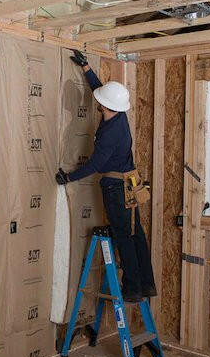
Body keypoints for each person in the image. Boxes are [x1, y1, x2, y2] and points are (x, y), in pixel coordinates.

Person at [55, 49, 157, 303]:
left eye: (100, 102)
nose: (98, 102)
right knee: (135, 233)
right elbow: (101, 92)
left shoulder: (110, 133)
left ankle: (132, 288)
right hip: (129, 184)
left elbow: (95, 165)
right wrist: (86, 68)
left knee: (124, 236)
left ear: (106, 106)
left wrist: (68, 178)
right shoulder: (119, 116)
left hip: (116, 188)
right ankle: (146, 284)